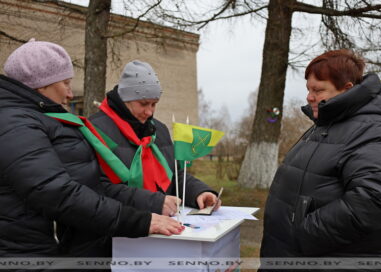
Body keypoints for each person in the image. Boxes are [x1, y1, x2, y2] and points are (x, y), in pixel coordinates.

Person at [0, 39, 183, 263]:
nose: (69, 94)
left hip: (70, 246)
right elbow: (56, 192)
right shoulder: (17, 123)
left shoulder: (44, 120)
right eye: (65, 83)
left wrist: (149, 208)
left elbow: (92, 183)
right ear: (42, 84)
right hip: (32, 254)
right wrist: (138, 220)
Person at [260, 49, 381, 270]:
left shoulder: (372, 129)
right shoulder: (327, 125)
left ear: (346, 89)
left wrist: (306, 233)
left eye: (318, 90)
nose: (309, 97)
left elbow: (375, 199)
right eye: (308, 89)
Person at [90, 60, 220, 212]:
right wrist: (154, 202)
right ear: (125, 99)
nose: (150, 112)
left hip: (164, 225)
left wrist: (200, 192)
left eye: (154, 104)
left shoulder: (158, 129)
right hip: (121, 230)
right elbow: (98, 188)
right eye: (144, 104)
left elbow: (175, 176)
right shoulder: (96, 130)